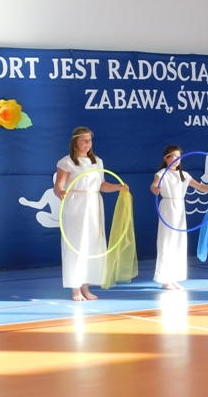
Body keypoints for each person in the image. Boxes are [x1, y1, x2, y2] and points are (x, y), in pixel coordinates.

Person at [54, 127, 127, 301]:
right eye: (84, 140)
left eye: (90, 140)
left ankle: (85, 287)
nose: (88, 143)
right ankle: (76, 289)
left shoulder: (97, 161)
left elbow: (101, 185)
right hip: (76, 205)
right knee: (76, 245)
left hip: (94, 205)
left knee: (91, 245)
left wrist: (118, 187)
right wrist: (60, 192)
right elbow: (58, 186)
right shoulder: (66, 162)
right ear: (75, 142)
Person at [150, 145, 208, 290]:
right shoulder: (162, 173)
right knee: (167, 242)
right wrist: (155, 189)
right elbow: (153, 185)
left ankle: (174, 277)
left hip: (180, 208)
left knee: (179, 242)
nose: (177, 159)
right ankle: (165, 279)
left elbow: (201, 187)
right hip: (168, 208)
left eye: (179, 157)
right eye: (173, 156)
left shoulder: (184, 175)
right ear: (166, 158)